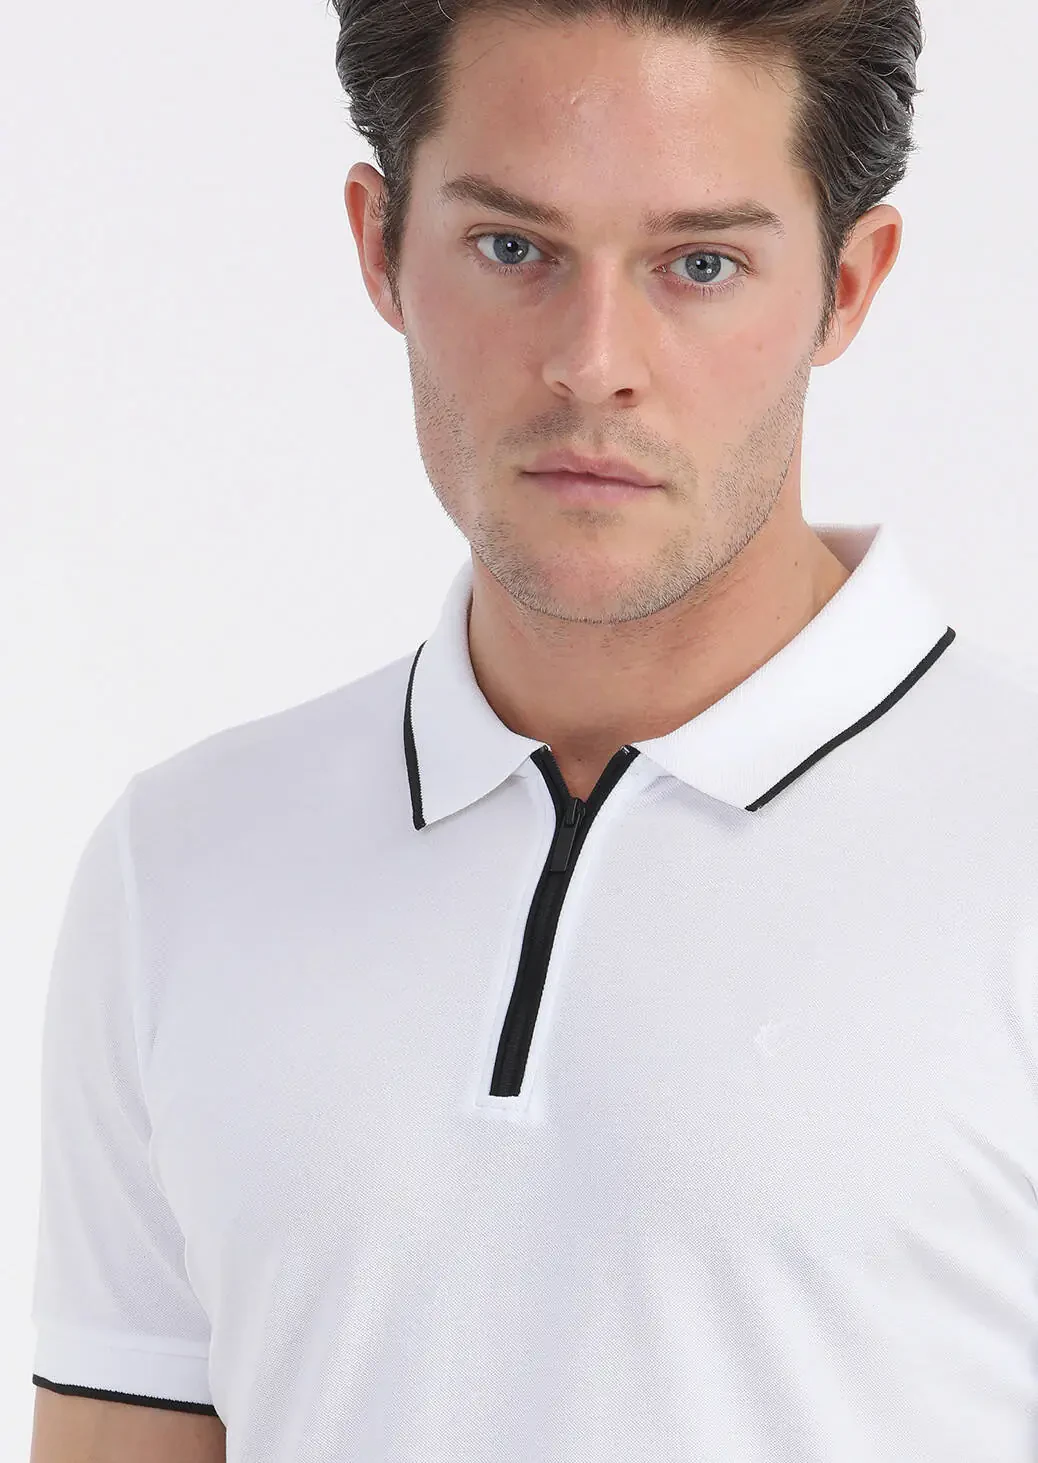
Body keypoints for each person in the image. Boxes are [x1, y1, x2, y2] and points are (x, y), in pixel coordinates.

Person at [30, 3, 1038, 1461]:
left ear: (847, 284)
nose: (591, 360)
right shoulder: (179, 863)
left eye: (700, 263)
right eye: (513, 248)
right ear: (380, 243)